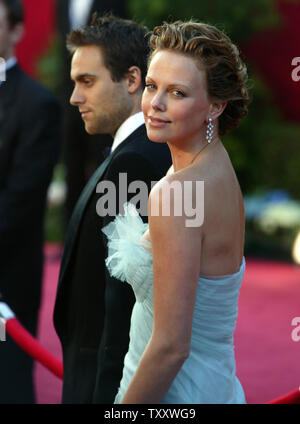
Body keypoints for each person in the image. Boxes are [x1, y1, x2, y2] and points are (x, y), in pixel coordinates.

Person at [103, 20, 251, 404]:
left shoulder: (177, 191)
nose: (156, 104)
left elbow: (171, 347)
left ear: (216, 106)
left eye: (178, 93)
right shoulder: (216, 168)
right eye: (152, 86)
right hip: (215, 384)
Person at [53, 14, 171, 404]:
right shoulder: (130, 152)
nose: (74, 97)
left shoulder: (136, 160)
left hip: (106, 381)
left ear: (132, 80)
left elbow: (124, 301)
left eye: (87, 81)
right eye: (74, 83)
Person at [0, 0, 61, 403]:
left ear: (18, 31)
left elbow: (20, 201)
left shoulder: (38, 104)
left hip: (8, 272)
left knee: (9, 384)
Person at [56, 0, 127, 228]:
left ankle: (103, 230)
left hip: (103, 98)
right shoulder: (62, 3)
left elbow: (123, 45)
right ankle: (71, 234)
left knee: (104, 162)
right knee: (72, 167)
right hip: (70, 98)